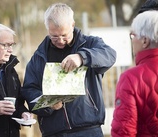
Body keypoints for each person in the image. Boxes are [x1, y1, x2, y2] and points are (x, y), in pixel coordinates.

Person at [21, 3, 117, 137]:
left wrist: (82, 57)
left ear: (72, 25)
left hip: (89, 129)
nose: (60, 40)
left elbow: (110, 55)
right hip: (54, 132)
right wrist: (48, 105)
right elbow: (29, 90)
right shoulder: (38, 57)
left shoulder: (90, 43)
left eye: (64, 35)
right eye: (54, 36)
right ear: (47, 29)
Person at [111, 10, 158, 137]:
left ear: (144, 41)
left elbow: (124, 131)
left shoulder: (131, 78)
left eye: (133, 36)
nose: (131, 41)